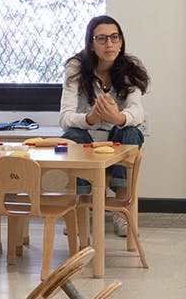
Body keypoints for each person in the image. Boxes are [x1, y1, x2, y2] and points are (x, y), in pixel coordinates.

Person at [60, 14, 148, 216]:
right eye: (102, 38)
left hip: (114, 138)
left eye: (114, 37)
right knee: (72, 136)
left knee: (131, 132)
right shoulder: (75, 67)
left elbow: (137, 110)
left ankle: (121, 208)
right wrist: (91, 118)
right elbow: (65, 118)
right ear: (91, 44)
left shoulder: (130, 69)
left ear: (121, 42)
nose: (109, 44)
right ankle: (79, 209)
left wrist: (118, 118)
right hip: (86, 137)